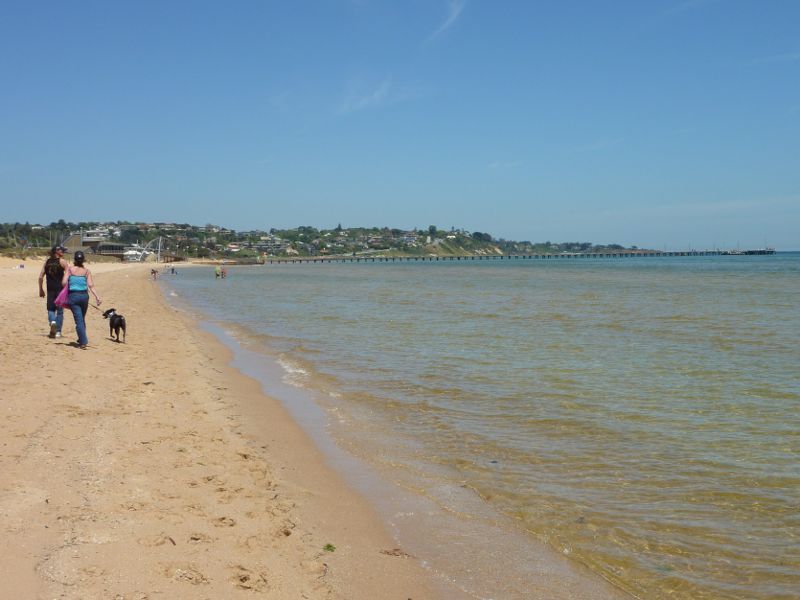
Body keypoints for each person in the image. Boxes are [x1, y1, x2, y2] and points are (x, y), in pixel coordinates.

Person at [61, 251, 102, 349]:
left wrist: (69, 285)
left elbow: (63, 282)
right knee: (81, 318)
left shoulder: (70, 270)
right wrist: (97, 297)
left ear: (74, 259)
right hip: (84, 297)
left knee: (78, 320)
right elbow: (91, 285)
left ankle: (83, 342)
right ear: (83, 260)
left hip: (73, 296)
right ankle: (81, 338)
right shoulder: (87, 271)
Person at [38, 245, 69, 338]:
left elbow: (40, 277)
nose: (63, 252)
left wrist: (41, 289)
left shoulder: (47, 262)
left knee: (50, 309)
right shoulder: (63, 262)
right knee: (60, 311)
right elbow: (68, 276)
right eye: (61, 250)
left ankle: (52, 322)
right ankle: (58, 332)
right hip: (60, 290)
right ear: (56, 251)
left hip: (50, 289)